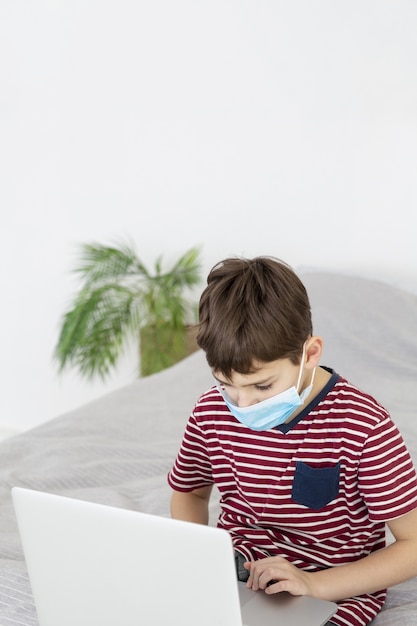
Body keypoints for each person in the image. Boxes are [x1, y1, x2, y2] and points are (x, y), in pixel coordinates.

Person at [167, 256, 417, 626]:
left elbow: (412, 546)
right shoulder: (210, 412)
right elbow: (190, 492)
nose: (244, 404)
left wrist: (314, 585)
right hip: (233, 574)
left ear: (310, 354)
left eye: (263, 386)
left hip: (330, 587)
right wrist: (199, 560)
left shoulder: (362, 425)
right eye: (226, 384)